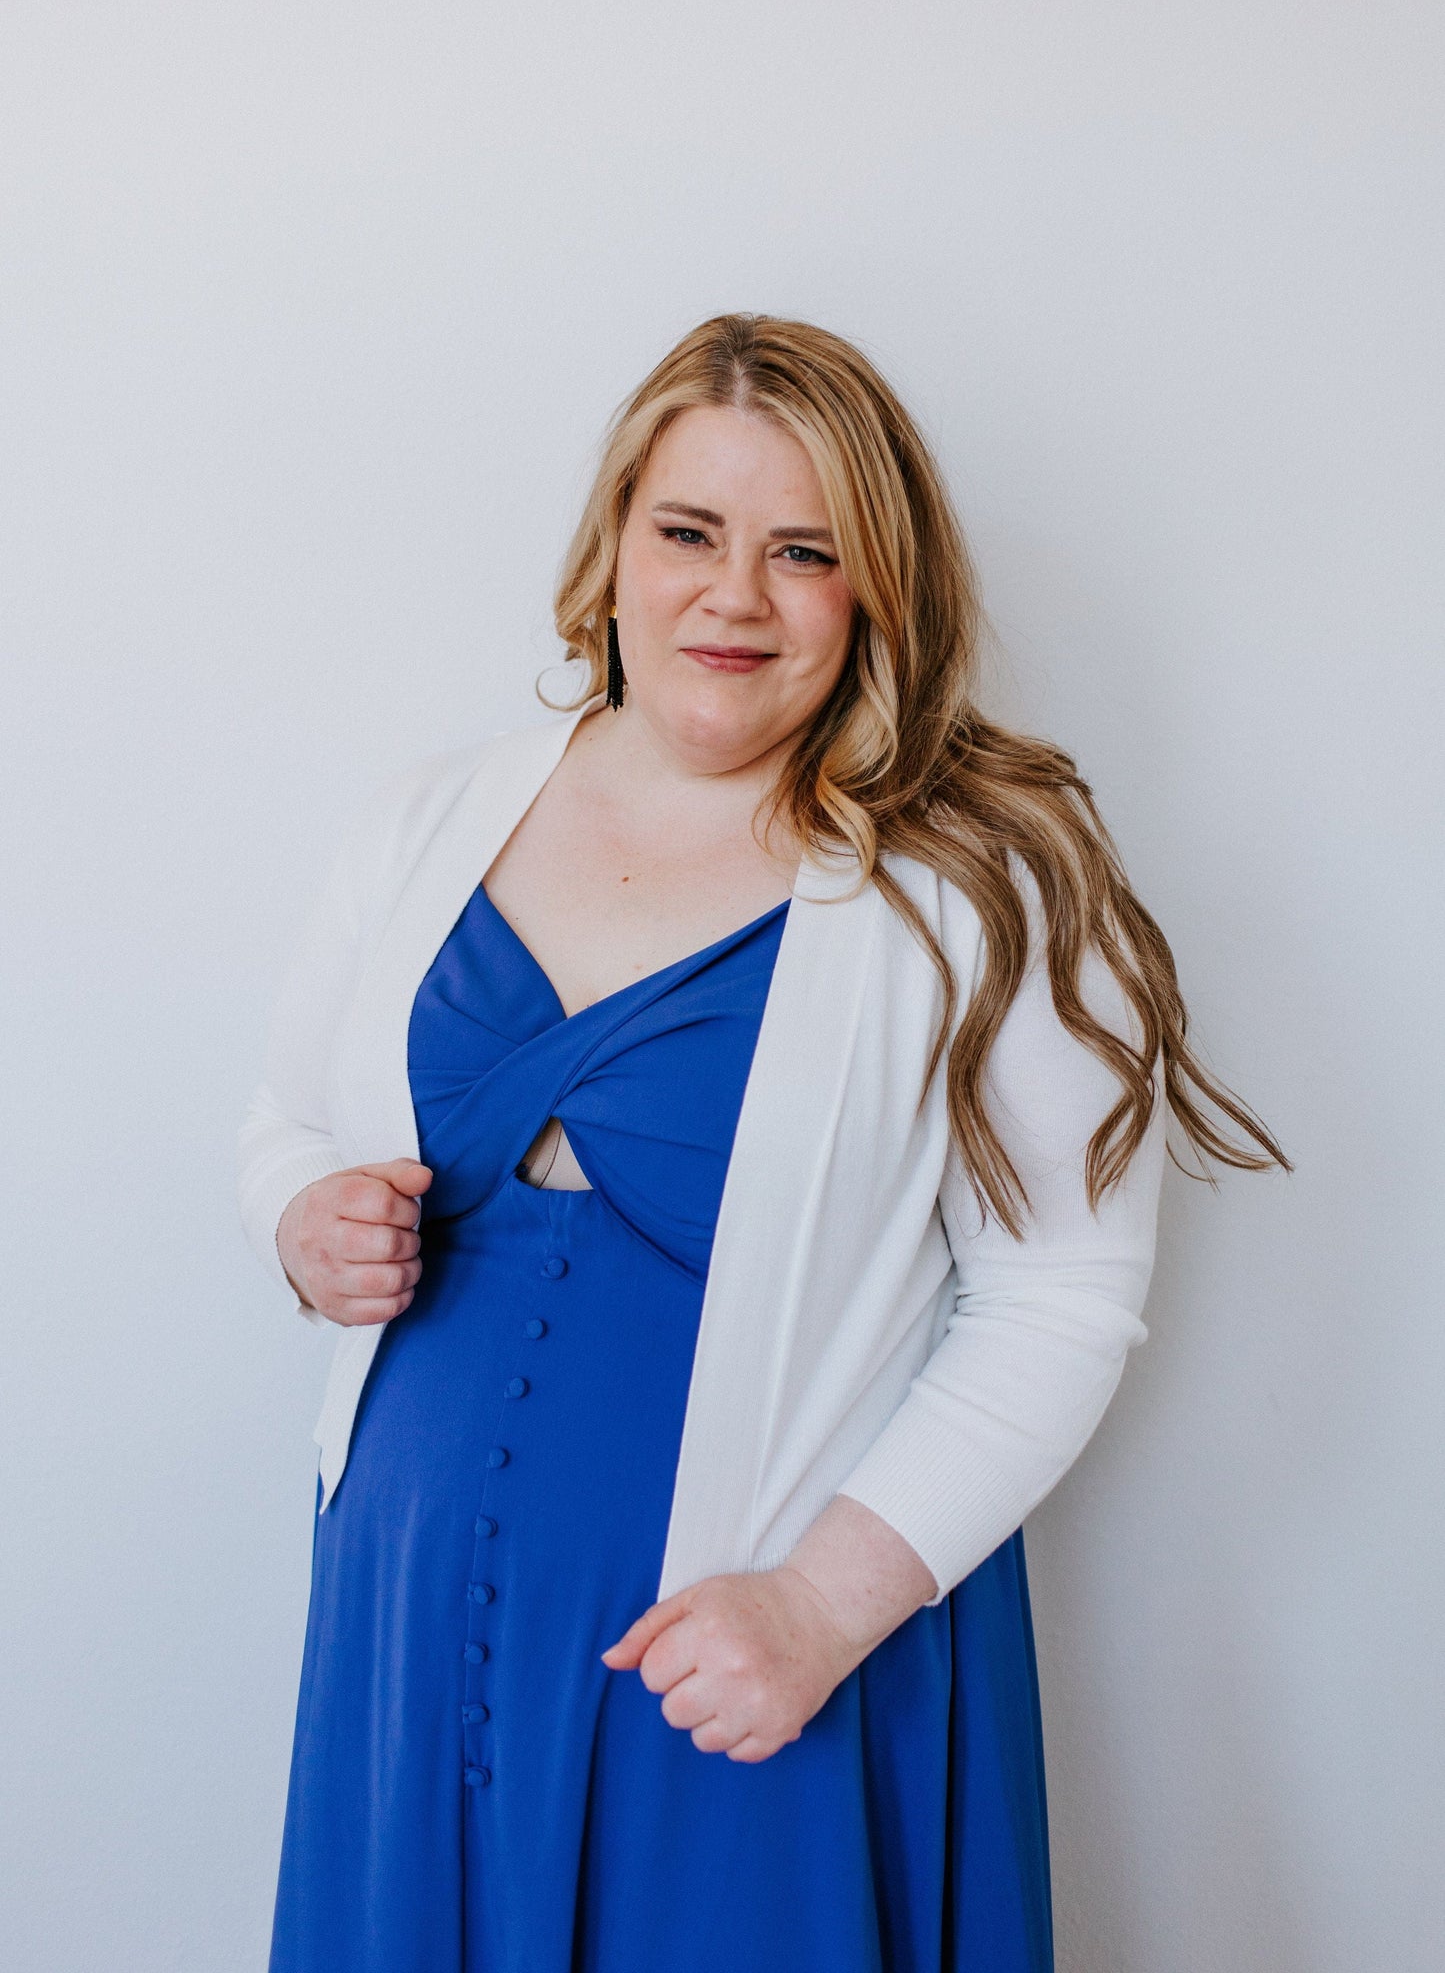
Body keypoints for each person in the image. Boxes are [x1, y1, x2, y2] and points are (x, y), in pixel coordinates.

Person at [237, 312, 1287, 1973]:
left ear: (878, 590)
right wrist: (304, 1211)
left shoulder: (983, 888)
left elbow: (1063, 1298)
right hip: (416, 1625)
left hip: (760, 1657)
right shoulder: (435, 820)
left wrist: (819, 1609)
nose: (733, 595)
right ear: (611, 553)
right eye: (689, 534)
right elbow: (291, 1115)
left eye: (804, 551)